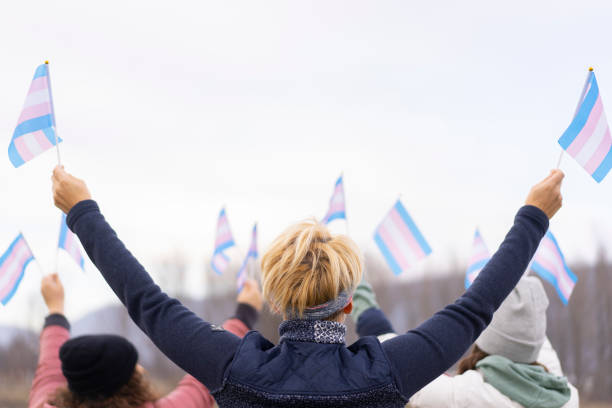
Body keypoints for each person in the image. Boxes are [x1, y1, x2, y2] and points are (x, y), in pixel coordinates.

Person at [51, 165, 563, 407]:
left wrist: (82, 211)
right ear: (346, 308)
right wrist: (534, 215)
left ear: (276, 299)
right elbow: (477, 308)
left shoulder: (233, 367)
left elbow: (148, 304)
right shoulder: (389, 370)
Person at [28, 272, 262, 408]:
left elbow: (50, 367)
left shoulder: (44, 403)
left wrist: (55, 308)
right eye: (131, 367)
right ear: (126, 383)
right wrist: (245, 313)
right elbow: (206, 369)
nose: (139, 369)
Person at [352, 276, 579, 408]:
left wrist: (356, 284)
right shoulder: (566, 394)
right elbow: (530, 336)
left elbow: (396, 367)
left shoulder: (466, 396)